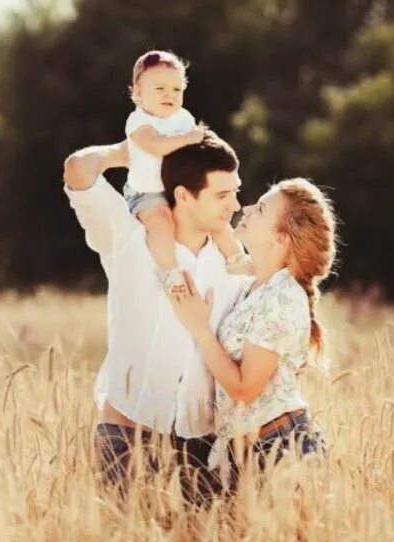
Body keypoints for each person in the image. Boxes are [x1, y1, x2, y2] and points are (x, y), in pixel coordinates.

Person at [63, 130, 248, 505]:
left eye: (235, 192)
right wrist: (132, 151)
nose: (235, 205)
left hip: (204, 445)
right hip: (127, 436)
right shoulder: (130, 236)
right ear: (183, 195)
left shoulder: (234, 258)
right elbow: (77, 171)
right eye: (222, 195)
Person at [169, 178, 336, 489]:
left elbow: (245, 388)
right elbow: (236, 259)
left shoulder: (282, 298)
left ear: (281, 239)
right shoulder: (260, 284)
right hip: (248, 451)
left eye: (259, 209)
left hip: (278, 452)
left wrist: (201, 330)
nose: (245, 208)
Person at [123, 50, 249, 294]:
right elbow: (155, 145)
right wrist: (188, 137)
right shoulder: (138, 121)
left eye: (176, 89)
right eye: (160, 89)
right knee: (161, 223)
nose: (169, 95)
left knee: (216, 220)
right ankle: (171, 272)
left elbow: (201, 143)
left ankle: (237, 259)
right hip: (147, 192)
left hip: (177, 186)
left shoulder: (183, 117)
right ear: (138, 93)